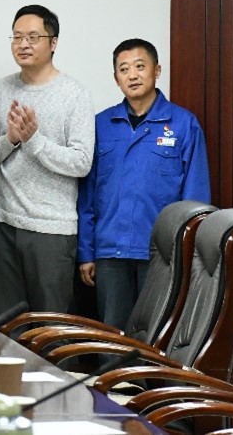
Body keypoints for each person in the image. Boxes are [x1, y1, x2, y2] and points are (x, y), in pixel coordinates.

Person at [78, 38, 211, 329]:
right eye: (124, 69)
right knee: (112, 335)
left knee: (157, 334)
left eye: (140, 66)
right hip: (109, 251)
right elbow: (87, 196)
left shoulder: (184, 124)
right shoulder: (100, 125)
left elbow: (196, 199)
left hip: (162, 254)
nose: (132, 75)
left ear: (157, 70)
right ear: (116, 78)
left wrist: (186, 256)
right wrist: (86, 252)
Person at [0, 4, 95, 316]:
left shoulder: (75, 94)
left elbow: (81, 161)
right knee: (5, 325)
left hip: (51, 230)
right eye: (17, 37)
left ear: (53, 42)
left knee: (50, 326)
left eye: (33, 37)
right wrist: (10, 139)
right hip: (2, 223)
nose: (23, 44)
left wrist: (34, 141)